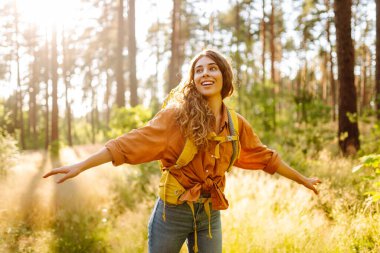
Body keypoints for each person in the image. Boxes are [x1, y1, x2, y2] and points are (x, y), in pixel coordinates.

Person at [43, 49, 321, 253]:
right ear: (193, 80)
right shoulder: (176, 118)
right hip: (171, 213)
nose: (205, 74)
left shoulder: (236, 124)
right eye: (198, 70)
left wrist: (304, 180)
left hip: (210, 211)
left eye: (212, 68)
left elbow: (266, 158)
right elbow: (128, 144)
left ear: (224, 76)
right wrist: (80, 165)